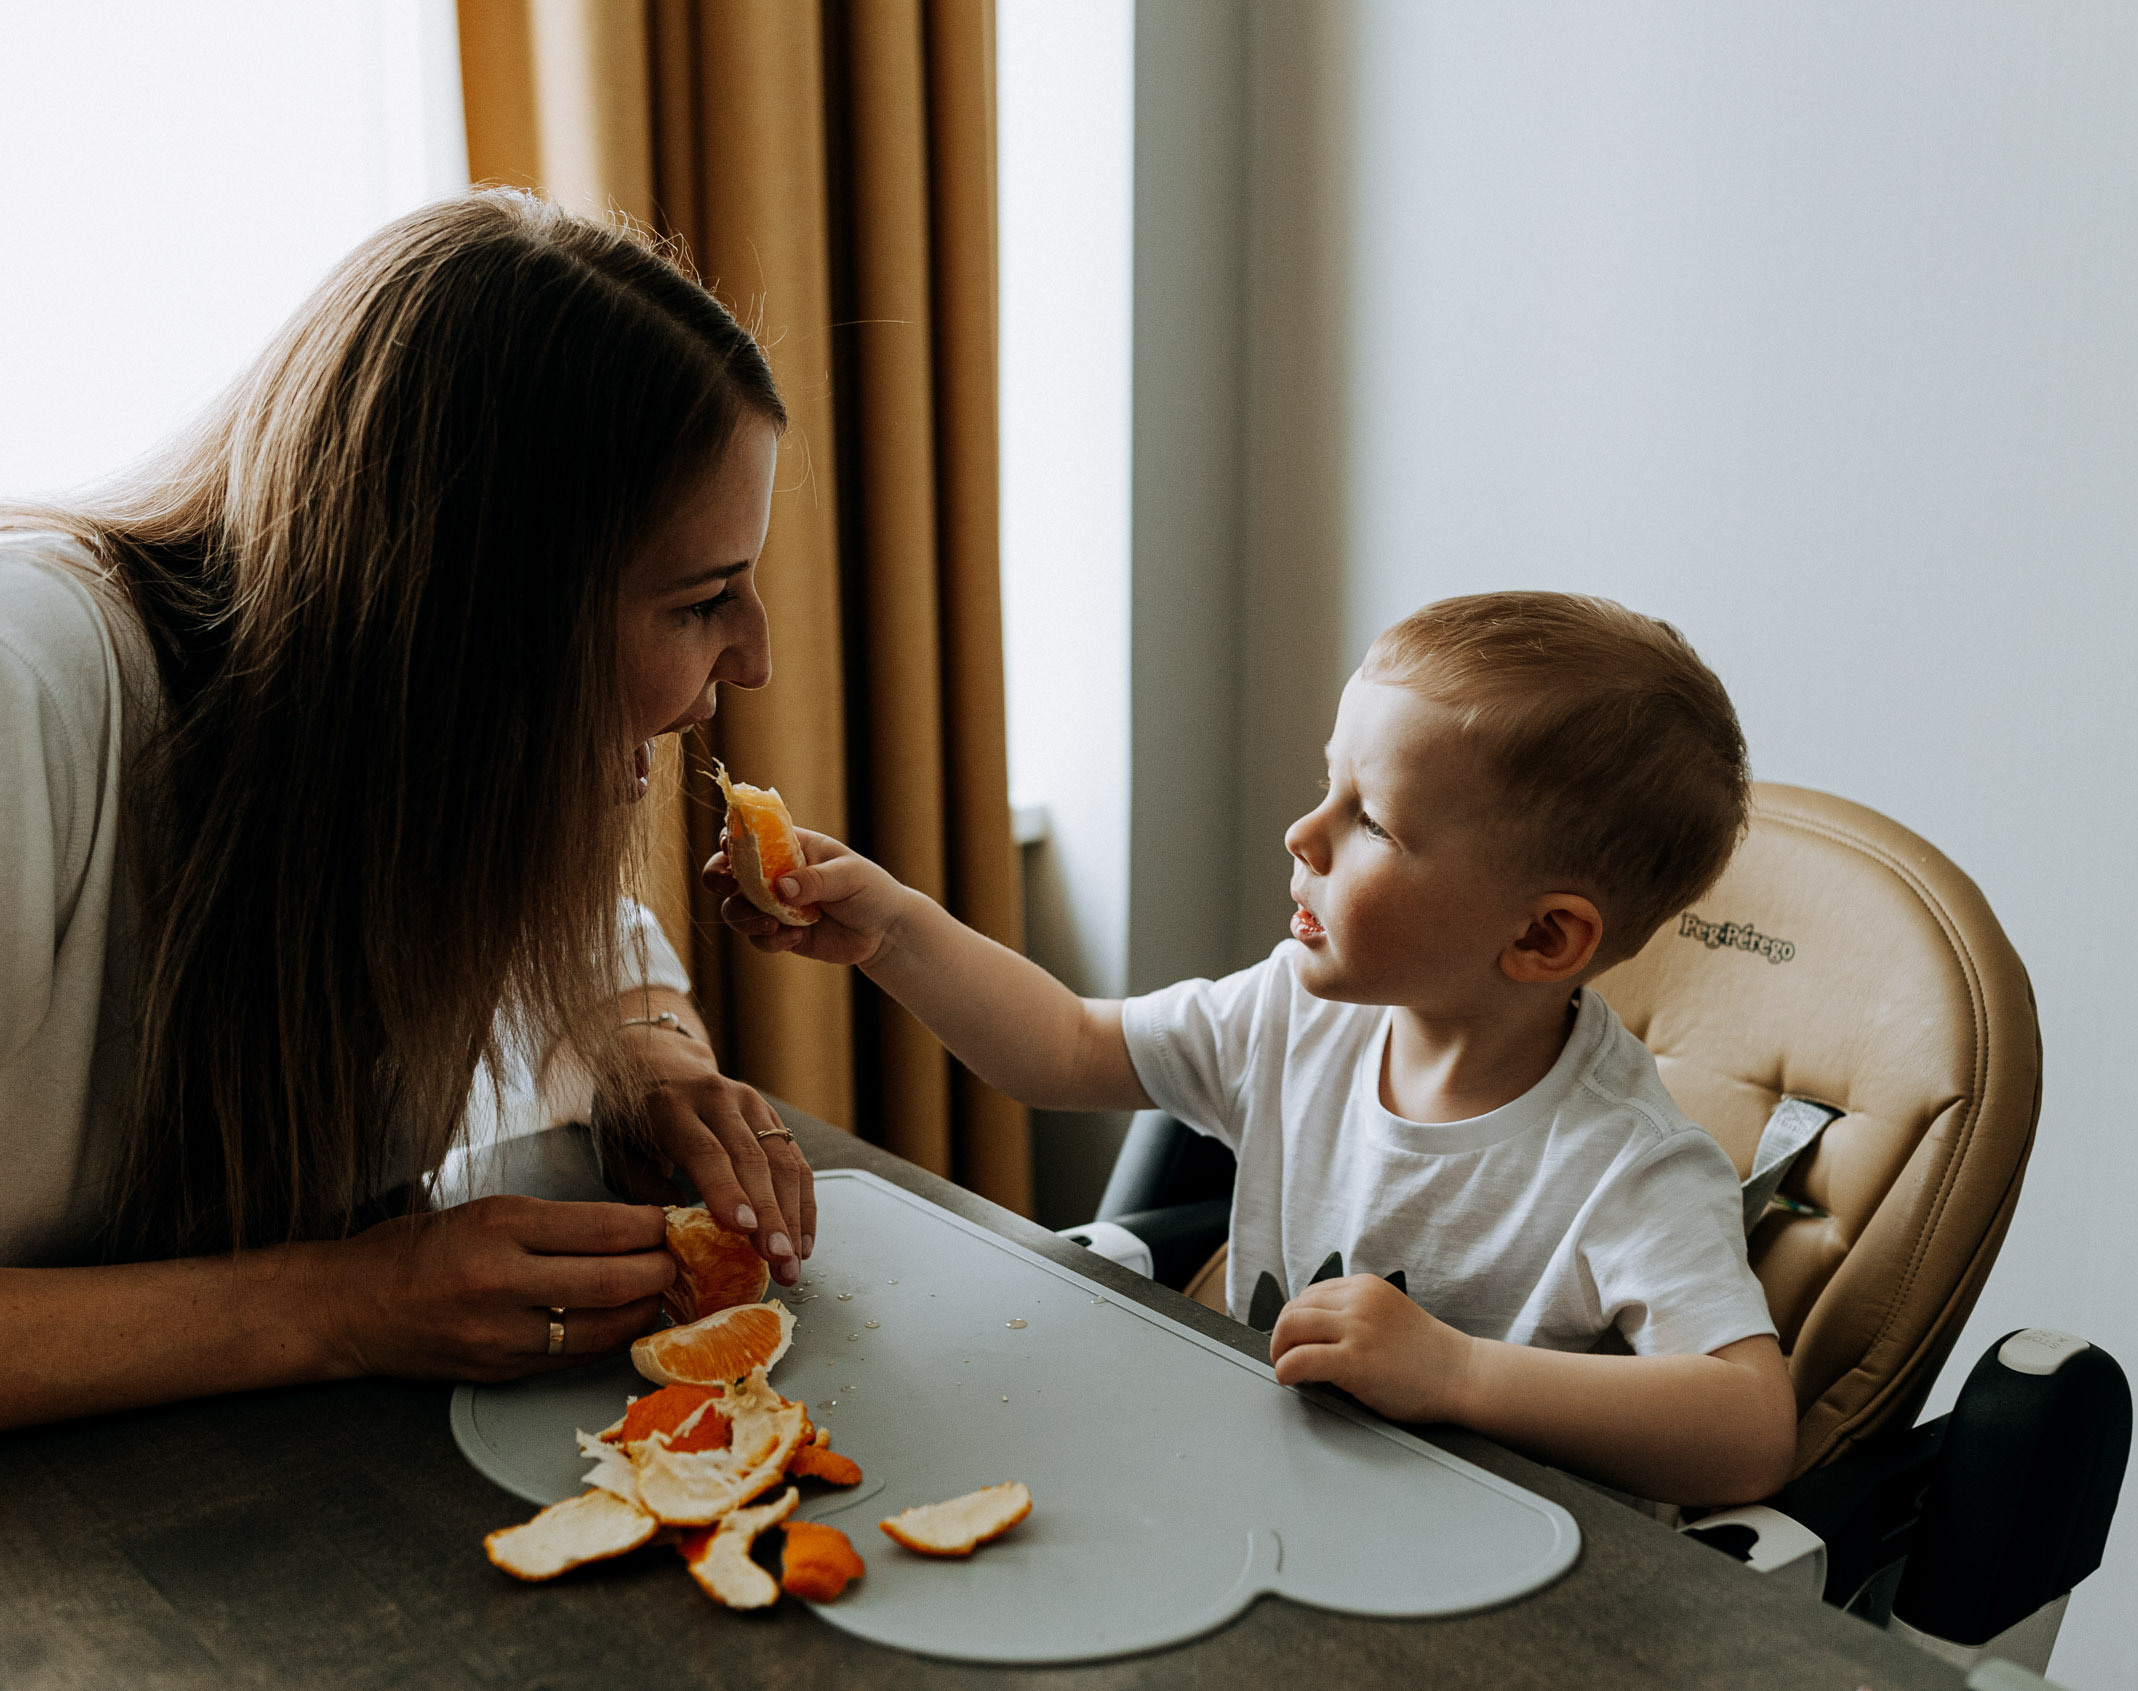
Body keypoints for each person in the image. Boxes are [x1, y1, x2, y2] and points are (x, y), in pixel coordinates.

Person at [0, 192, 818, 1432]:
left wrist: (645, 1066)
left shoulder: (395, 765)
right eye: (703, 599)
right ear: (485, 627)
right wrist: (341, 1306)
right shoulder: (33, 694)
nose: (752, 661)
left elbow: (600, 953)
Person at [713, 592, 1796, 1506]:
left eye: (1369, 820)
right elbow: (1064, 1048)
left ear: (1540, 936)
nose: (1302, 834)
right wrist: (898, 932)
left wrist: (1457, 1373)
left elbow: (1748, 1426)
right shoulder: (1298, 1013)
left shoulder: (1627, 1164)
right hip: (1259, 1494)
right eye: (1327, 784)